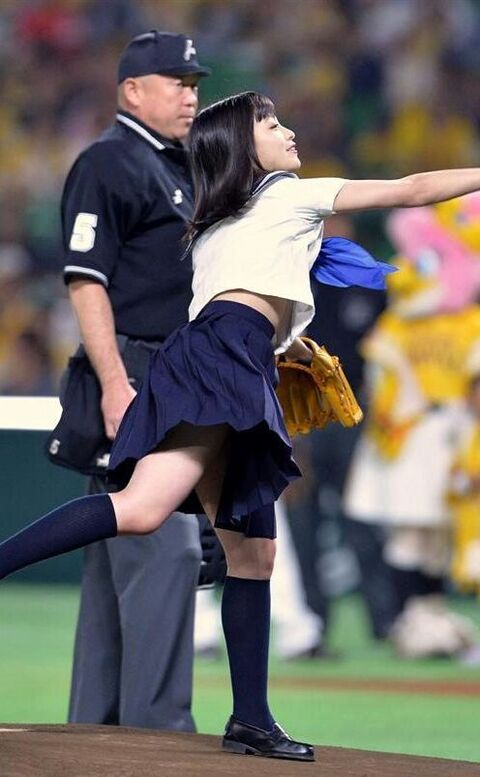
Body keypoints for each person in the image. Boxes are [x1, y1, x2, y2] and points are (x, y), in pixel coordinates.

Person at [3, 91, 480, 762]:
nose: (288, 131)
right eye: (271, 124)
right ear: (242, 148)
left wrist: (288, 348)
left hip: (224, 355)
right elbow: (411, 189)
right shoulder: (289, 196)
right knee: (143, 510)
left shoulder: (219, 221)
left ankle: (252, 718)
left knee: (251, 556)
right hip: (224, 358)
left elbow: (244, 304)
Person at [53, 30, 210, 731]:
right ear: (132, 91)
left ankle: (93, 734)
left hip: (176, 376)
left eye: (194, 83)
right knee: (167, 549)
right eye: (176, 81)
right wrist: (117, 384)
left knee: (117, 563)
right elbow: (86, 281)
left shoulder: (181, 164)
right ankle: (162, 738)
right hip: (137, 373)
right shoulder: (110, 162)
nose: (190, 95)